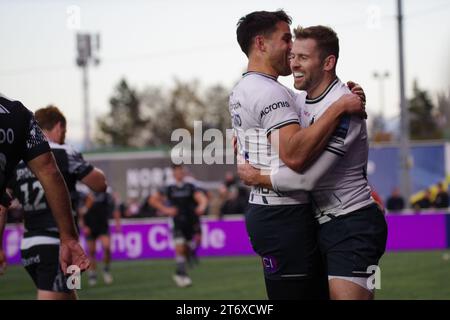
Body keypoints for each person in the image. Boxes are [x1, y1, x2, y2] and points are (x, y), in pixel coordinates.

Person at [236, 25, 387, 300]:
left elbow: (306, 179)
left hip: (353, 223)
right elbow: (259, 116)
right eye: (292, 55)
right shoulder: (299, 98)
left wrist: (257, 178)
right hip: (319, 223)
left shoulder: (346, 110)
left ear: (328, 62)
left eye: (303, 58)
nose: (293, 63)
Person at [6, 105, 107, 300]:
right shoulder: (64, 152)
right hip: (57, 245)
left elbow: (2, 206)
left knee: (70, 292)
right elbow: (100, 184)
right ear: (59, 127)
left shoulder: (17, 159)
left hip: (29, 246)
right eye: (64, 131)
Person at [0, 94, 90, 284]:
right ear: (58, 127)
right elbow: (51, 172)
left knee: (68, 291)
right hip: (53, 240)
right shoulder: (18, 115)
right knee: (67, 288)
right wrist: (69, 237)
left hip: (31, 241)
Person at [149, 164, 208, 287]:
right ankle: (182, 275)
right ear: (173, 173)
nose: (180, 173)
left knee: (190, 245)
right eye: (177, 171)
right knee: (180, 247)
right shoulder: (169, 187)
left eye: (181, 170)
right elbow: (153, 200)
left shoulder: (190, 185)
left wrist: (202, 206)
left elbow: (201, 198)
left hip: (191, 221)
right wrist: (166, 210)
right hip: (176, 221)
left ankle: (184, 265)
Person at [80, 189, 121, 286]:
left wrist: (117, 223)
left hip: (103, 226)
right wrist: (84, 226)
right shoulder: (85, 194)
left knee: (107, 247)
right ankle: (93, 274)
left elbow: (115, 209)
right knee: (91, 251)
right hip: (90, 227)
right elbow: (81, 212)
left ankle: (106, 269)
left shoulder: (106, 195)